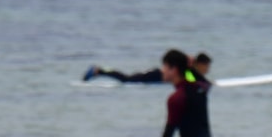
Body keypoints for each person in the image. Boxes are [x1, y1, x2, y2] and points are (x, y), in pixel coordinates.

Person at [145, 49, 218, 137]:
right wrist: (189, 69)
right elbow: (203, 82)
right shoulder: (200, 89)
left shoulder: (176, 98)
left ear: (174, 70)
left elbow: (169, 131)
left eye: (165, 67)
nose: (162, 70)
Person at [83, 52, 212, 84]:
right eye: (207, 66)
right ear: (201, 64)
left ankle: (99, 71)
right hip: (155, 75)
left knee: (126, 79)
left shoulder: (189, 68)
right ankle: (98, 70)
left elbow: (193, 79)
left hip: (157, 75)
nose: (208, 69)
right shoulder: (188, 68)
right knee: (126, 79)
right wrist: (206, 83)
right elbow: (192, 79)